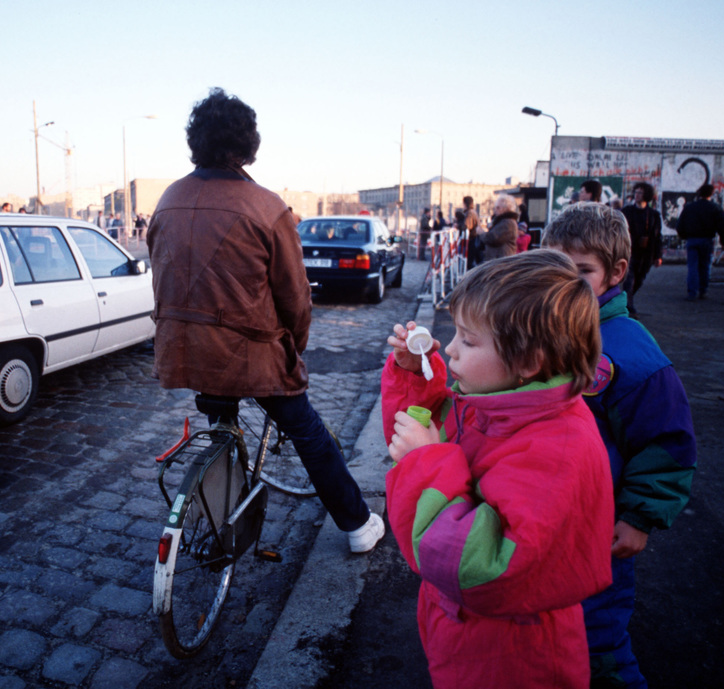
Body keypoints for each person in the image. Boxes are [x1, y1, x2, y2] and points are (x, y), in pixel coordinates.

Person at [147, 87, 384, 553]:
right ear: (248, 145)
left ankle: (220, 518)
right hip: (250, 354)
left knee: (220, 423)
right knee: (306, 430)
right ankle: (357, 525)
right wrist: (293, 346)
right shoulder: (266, 205)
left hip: (183, 349)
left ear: (195, 141)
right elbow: (295, 296)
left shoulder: (168, 198)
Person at [381, 250, 614, 689]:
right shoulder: (498, 405)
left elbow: (483, 566)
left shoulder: (557, 448)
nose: (448, 348)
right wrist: (417, 374)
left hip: (513, 658)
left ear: (528, 361)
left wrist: (423, 462)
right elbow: (422, 428)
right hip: (470, 636)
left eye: (468, 341)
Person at [542, 203, 697, 688]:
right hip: (542, 521)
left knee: (597, 641)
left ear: (616, 272)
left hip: (599, 533)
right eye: (555, 267)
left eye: (581, 270)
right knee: (546, 636)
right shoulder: (543, 330)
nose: (566, 281)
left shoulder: (631, 353)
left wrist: (638, 517)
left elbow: (666, 443)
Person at [676, 183, 724, 300]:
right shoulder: (715, 208)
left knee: (692, 267)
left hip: (692, 239)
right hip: (707, 240)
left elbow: (680, 225)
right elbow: (723, 226)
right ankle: (703, 290)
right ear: (711, 194)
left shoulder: (690, 207)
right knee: (704, 266)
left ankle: (692, 292)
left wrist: (685, 236)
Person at [620, 183, 663, 316]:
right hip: (629, 251)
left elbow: (657, 236)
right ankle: (629, 307)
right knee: (629, 280)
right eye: (636, 192)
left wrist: (658, 255)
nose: (636, 195)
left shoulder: (653, 215)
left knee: (639, 280)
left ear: (647, 195)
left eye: (640, 193)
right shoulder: (627, 211)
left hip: (646, 253)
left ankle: (627, 300)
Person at [481, 194, 519, 260]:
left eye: (498, 208)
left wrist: (481, 233)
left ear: (506, 209)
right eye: (495, 207)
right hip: (498, 260)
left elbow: (492, 238)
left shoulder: (507, 223)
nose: (495, 210)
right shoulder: (503, 221)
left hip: (501, 261)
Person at [463, 195, 482, 267]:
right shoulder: (473, 212)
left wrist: (459, 226)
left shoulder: (469, 213)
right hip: (474, 238)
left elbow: (467, 226)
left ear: (465, 203)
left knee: (469, 261)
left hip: (471, 239)